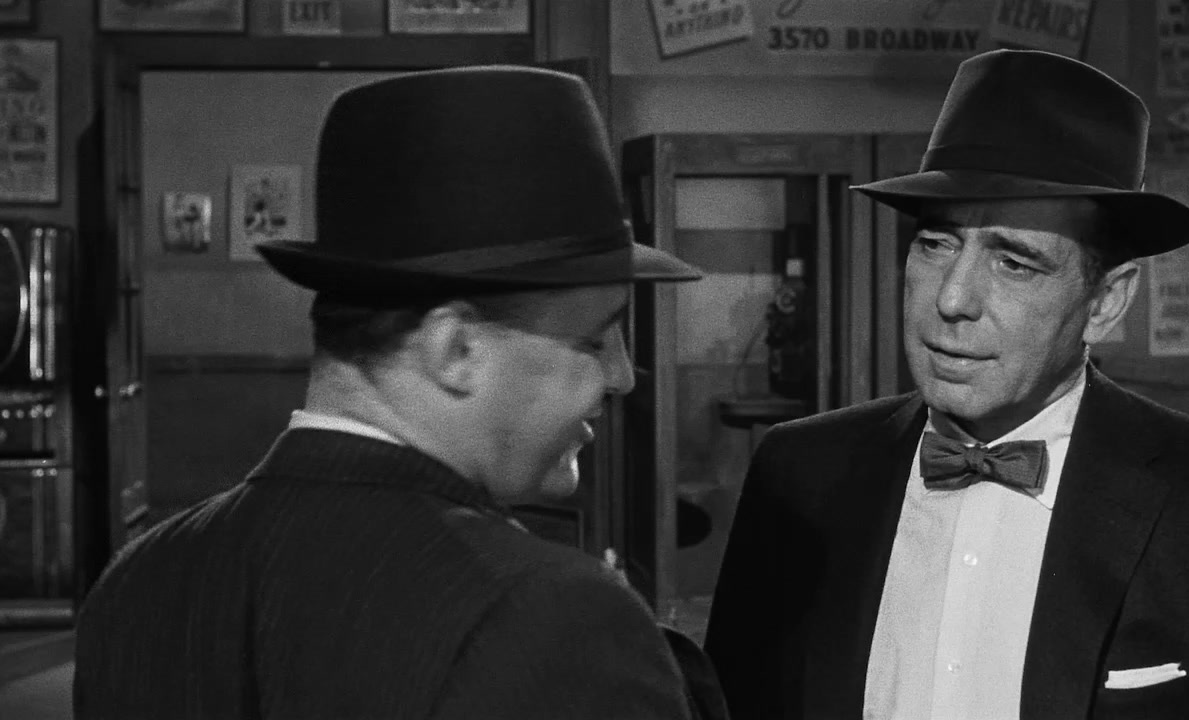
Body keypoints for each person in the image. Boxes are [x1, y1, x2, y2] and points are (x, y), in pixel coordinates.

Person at [75, 66, 728, 720]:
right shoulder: (549, 615)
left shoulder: (134, 585)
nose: (622, 376)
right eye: (595, 339)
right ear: (455, 350)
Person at [704, 49, 1189, 720]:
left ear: (1105, 303)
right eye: (936, 244)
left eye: (1014, 263)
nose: (952, 299)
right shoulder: (798, 475)